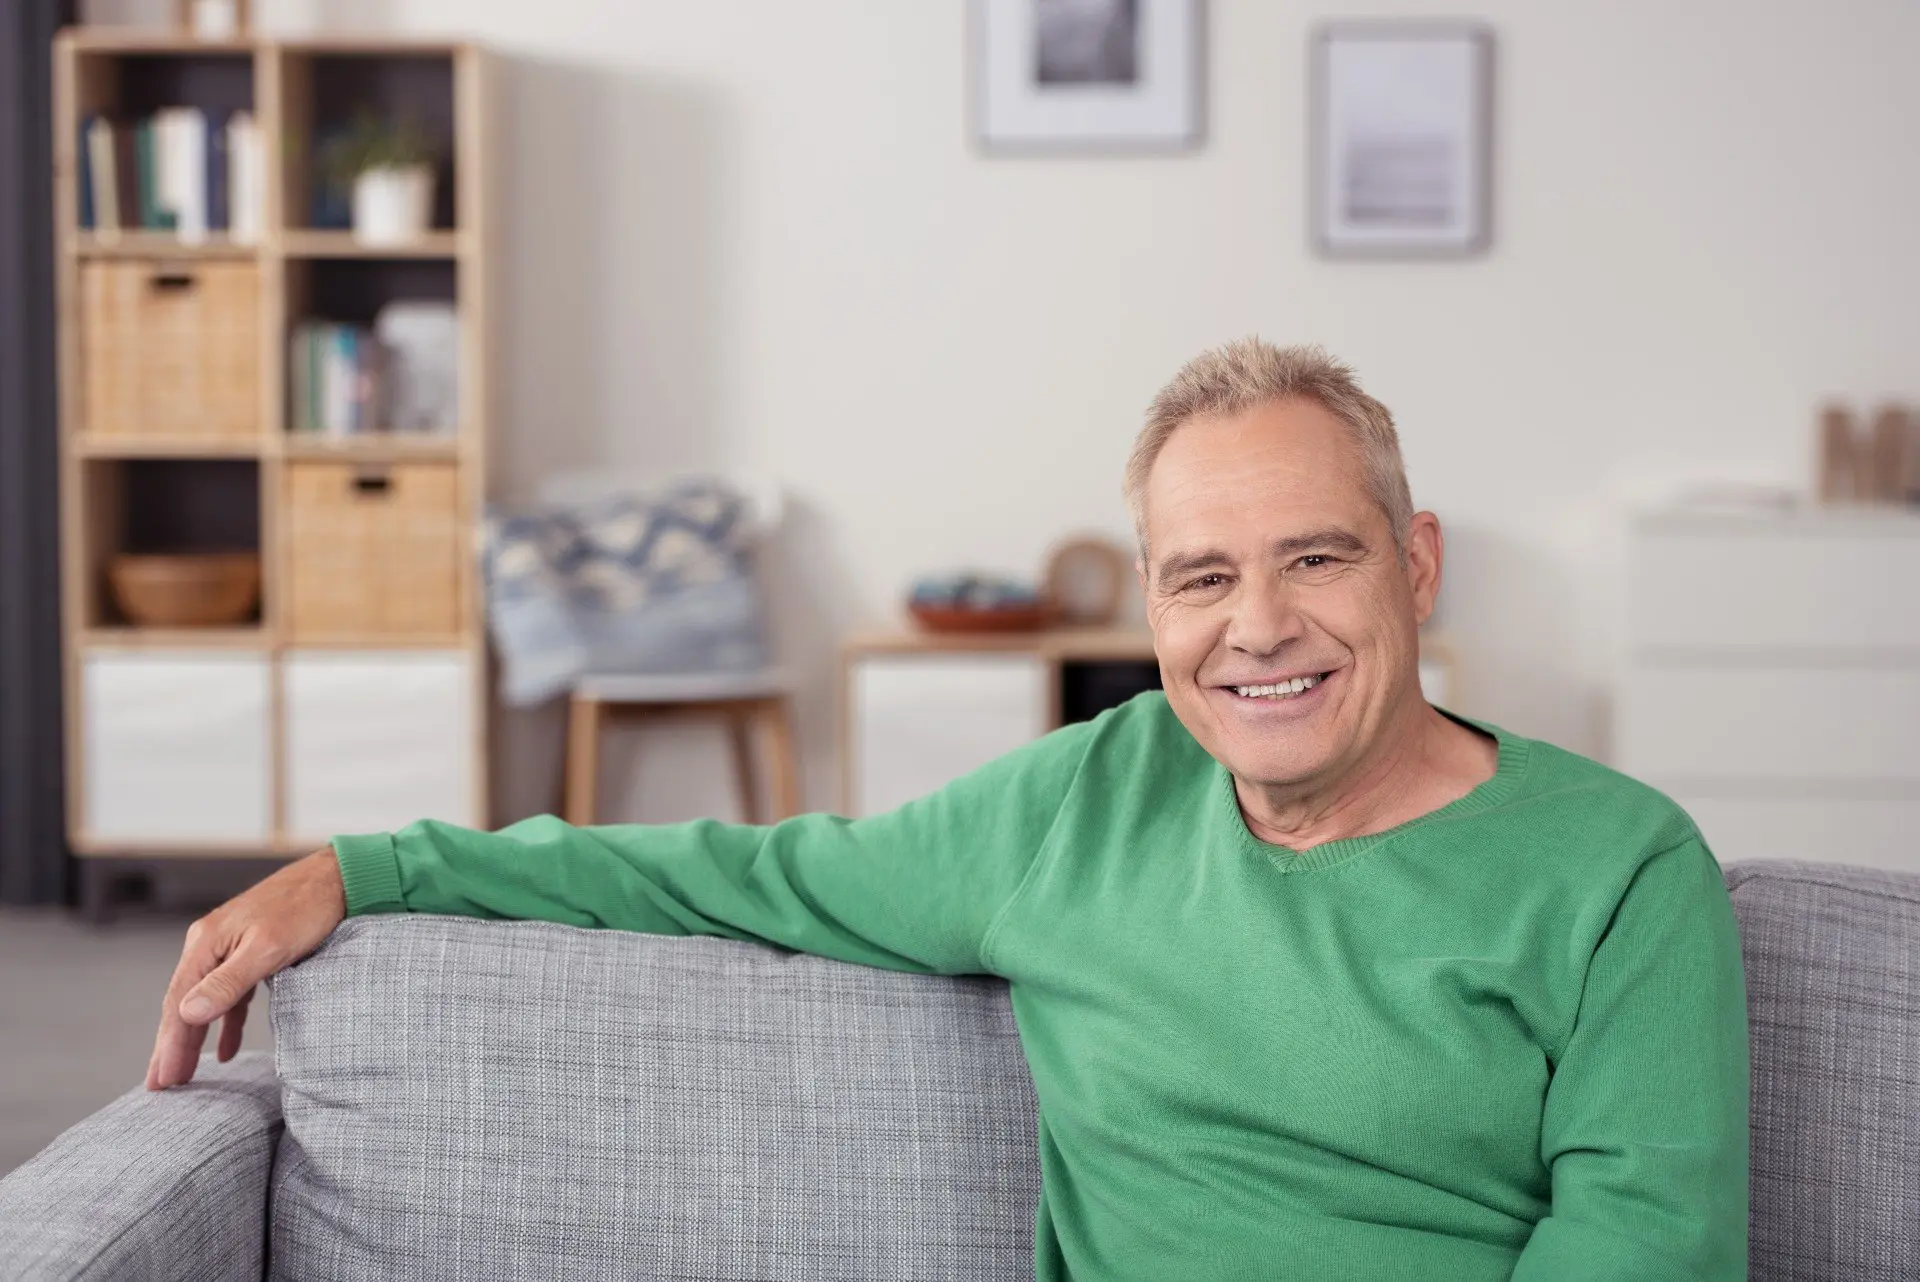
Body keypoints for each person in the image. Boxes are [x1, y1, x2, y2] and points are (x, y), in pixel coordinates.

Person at [148, 339, 1748, 1281]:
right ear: (1154, 608)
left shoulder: (1619, 871)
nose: (1257, 624)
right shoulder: (1083, 802)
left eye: (1315, 556)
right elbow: (741, 872)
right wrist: (370, 864)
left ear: (1417, 564)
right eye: (1203, 575)